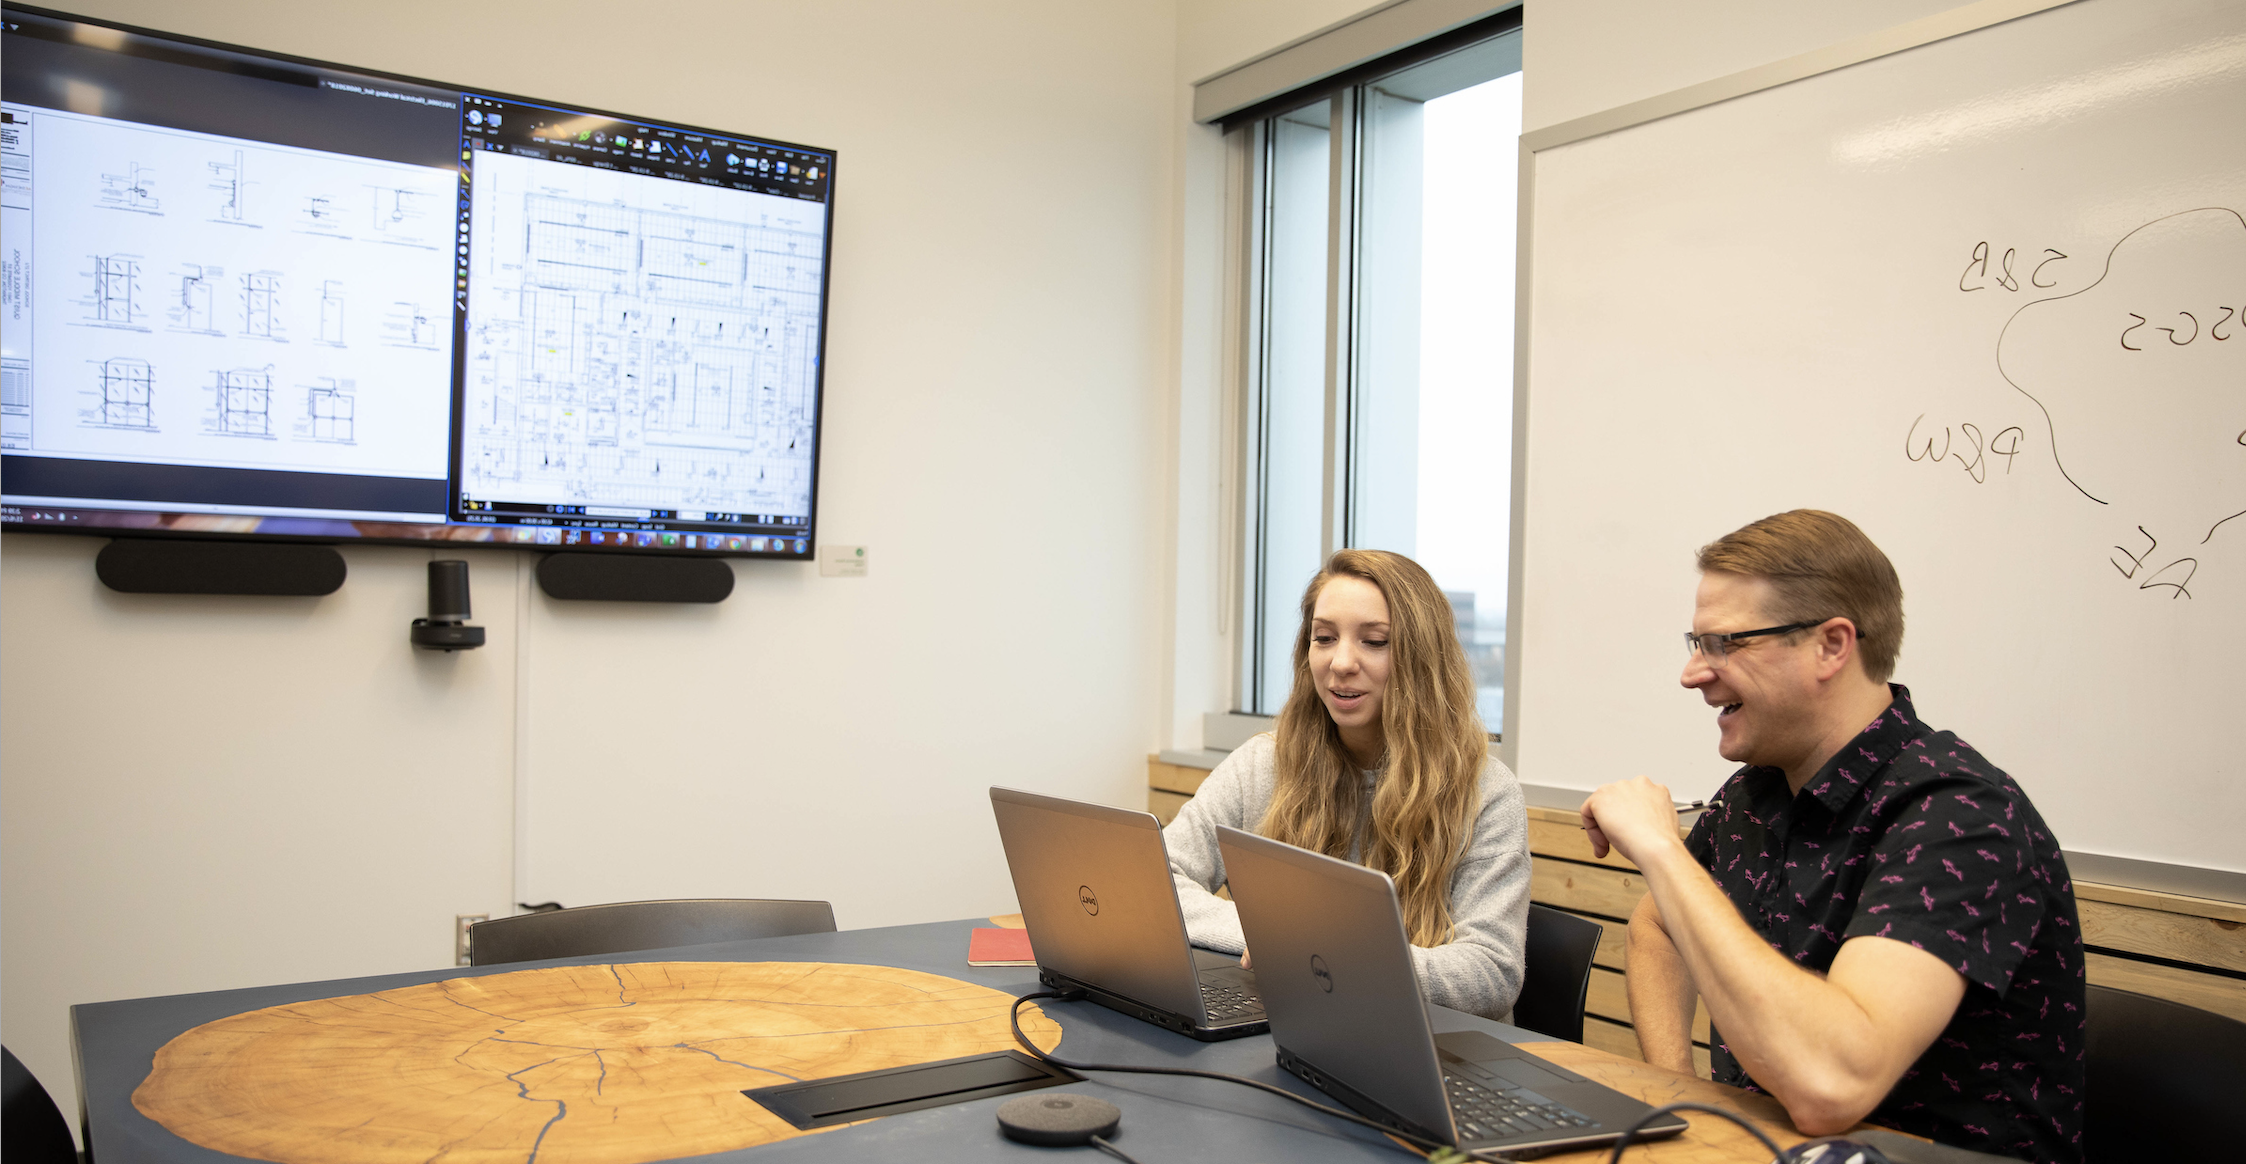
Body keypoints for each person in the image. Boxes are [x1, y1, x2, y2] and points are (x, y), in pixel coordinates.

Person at [1579, 510, 2084, 1162]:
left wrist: (1659, 848)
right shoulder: (1757, 792)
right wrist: (1682, 1094)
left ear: (1831, 645)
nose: (1693, 672)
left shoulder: (1959, 817)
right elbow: (1657, 930)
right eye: (1695, 643)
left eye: (1725, 643)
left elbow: (1831, 1085)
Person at [1164, 549, 1531, 1019]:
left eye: (1374, 641)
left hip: (1431, 1049)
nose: (1340, 663)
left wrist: (1342, 957)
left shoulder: (1487, 792)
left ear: (1422, 659)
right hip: (1295, 1025)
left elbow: (1491, 972)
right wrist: (1277, 937)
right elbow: (1161, 877)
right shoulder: (1262, 763)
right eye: (1324, 637)